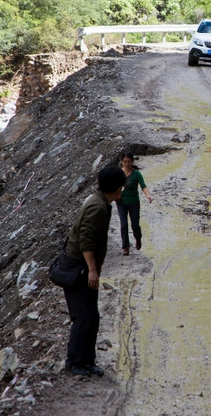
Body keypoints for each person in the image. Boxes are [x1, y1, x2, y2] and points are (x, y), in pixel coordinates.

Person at [60, 165, 123, 377]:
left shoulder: (98, 201)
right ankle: (74, 362)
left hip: (80, 266)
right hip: (79, 267)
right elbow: (86, 241)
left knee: (91, 316)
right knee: (84, 317)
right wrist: (92, 270)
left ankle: (87, 361)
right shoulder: (98, 207)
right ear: (116, 189)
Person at [117, 152, 153, 256]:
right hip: (121, 202)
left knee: (135, 225)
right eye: (125, 162)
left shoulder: (137, 174)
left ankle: (138, 238)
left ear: (132, 162)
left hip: (134, 202)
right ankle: (125, 247)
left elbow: (143, 186)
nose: (127, 164)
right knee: (124, 224)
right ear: (122, 162)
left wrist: (148, 196)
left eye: (129, 162)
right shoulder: (119, 173)